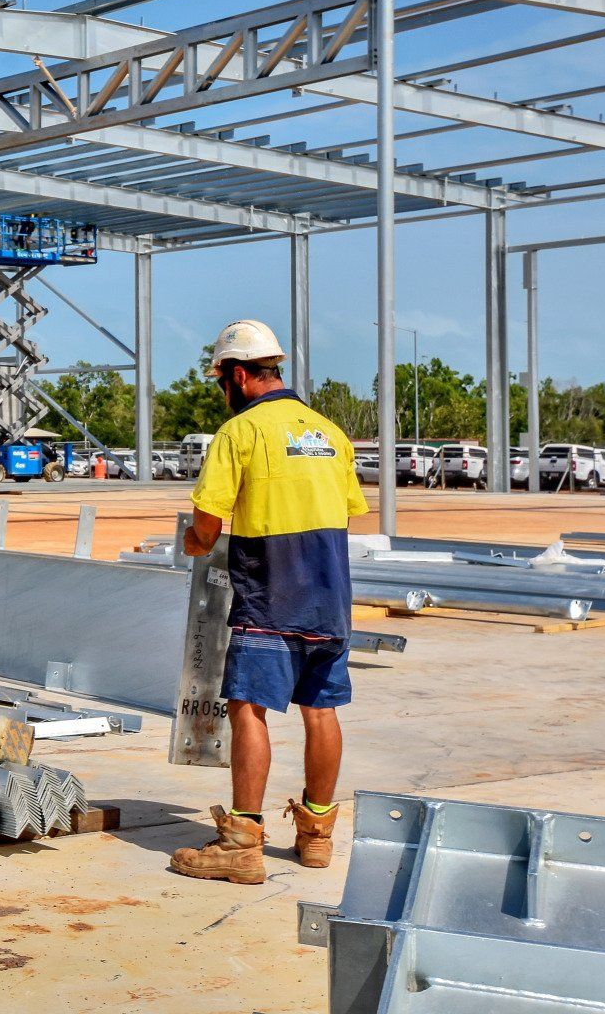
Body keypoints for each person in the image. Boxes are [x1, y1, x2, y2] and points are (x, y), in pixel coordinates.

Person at [169, 319, 368, 885]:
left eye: (220, 382)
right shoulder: (330, 433)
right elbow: (347, 510)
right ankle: (317, 836)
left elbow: (207, 529)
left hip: (271, 594)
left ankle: (241, 841)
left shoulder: (241, 432)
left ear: (236, 374)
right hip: (330, 598)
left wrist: (191, 542)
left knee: (248, 707)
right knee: (321, 709)